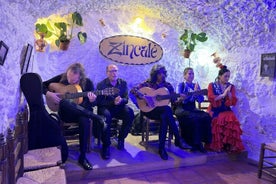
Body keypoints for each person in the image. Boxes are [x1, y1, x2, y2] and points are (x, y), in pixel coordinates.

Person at [43, 62, 98, 170]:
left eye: (74, 81)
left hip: (81, 114)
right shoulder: (62, 78)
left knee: (84, 120)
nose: (69, 81)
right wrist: (49, 94)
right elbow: (42, 84)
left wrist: (92, 101)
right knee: (64, 103)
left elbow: (93, 104)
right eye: (68, 78)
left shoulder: (88, 84)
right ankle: (63, 151)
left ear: (80, 77)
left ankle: (82, 157)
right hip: (66, 114)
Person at [130, 64, 191, 160]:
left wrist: (181, 99)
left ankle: (161, 148)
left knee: (165, 115)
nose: (162, 76)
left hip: (161, 112)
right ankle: (178, 139)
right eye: (159, 74)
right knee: (166, 110)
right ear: (154, 75)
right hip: (149, 111)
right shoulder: (147, 84)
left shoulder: (168, 86)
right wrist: (144, 97)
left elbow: (174, 102)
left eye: (163, 73)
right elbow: (133, 90)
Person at [96, 64, 134, 160]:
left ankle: (121, 138)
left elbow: (126, 99)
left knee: (130, 113)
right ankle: (106, 145)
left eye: (115, 71)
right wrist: (112, 101)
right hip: (105, 108)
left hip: (119, 107)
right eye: (111, 71)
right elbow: (99, 102)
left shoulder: (123, 83)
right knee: (106, 116)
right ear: (107, 73)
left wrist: (121, 100)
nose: (114, 73)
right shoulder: (101, 85)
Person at [207, 65, 244, 153]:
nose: (227, 78)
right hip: (215, 108)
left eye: (228, 76)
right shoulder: (212, 85)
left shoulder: (231, 86)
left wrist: (230, 95)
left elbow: (232, 102)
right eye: (225, 76)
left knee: (231, 118)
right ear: (220, 76)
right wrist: (223, 95)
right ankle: (217, 145)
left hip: (225, 108)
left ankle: (229, 144)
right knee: (218, 119)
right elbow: (211, 98)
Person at [173, 67, 212, 153]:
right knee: (194, 118)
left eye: (192, 74)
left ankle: (201, 142)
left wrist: (197, 93)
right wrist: (192, 94)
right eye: (189, 73)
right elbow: (180, 99)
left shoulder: (196, 85)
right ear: (184, 76)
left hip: (192, 108)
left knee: (206, 116)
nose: (191, 75)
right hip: (181, 108)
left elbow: (201, 100)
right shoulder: (181, 85)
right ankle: (193, 143)